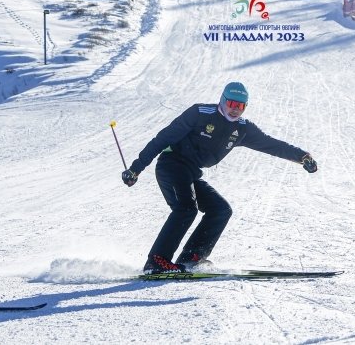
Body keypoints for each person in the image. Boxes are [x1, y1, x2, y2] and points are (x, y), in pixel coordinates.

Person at [121, 81, 318, 274]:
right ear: (222, 101)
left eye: (241, 106)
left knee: (221, 209)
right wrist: (135, 169)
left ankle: (192, 258)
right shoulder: (199, 113)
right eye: (232, 104)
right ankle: (157, 260)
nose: (235, 110)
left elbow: (271, 144)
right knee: (186, 208)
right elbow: (162, 139)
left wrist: (303, 156)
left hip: (192, 172)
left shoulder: (242, 128)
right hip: (172, 165)